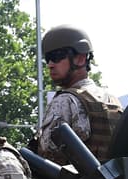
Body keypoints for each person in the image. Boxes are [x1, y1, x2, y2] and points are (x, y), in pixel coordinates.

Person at [35, 25, 122, 165]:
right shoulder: (113, 101)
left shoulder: (65, 100)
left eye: (57, 57)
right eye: (48, 58)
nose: (50, 64)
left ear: (81, 59)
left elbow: (47, 156)